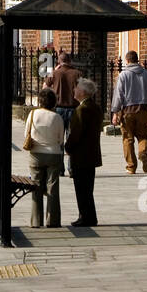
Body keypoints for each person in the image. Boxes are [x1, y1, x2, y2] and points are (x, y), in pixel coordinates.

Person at [110, 50, 147, 175]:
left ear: (127, 61)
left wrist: (115, 111)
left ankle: (131, 166)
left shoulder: (123, 75)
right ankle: (143, 153)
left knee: (128, 138)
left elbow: (119, 95)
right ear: (137, 60)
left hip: (127, 110)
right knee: (143, 135)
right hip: (143, 108)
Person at [64, 78, 103, 226]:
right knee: (88, 188)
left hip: (81, 154)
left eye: (76, 88)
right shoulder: (95, 107)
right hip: (91, 153)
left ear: (83, 92)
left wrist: (68, 147)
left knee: (81, 188)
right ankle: (89, 216)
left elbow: (76, 132)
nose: (74, 90)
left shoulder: (81, 110)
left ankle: (86, 216)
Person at [24, 87, 65, 227]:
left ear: (40, 101)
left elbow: (26, 134)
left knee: (36, 186)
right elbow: (60, 139)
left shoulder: (33, 114)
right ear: (53, 102)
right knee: (52, 187)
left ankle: (36, 221)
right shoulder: (57, 117)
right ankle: (52, 221)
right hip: (53, 154)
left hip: (36, 154)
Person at [44, 51, 82, 132]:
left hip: (58, 108)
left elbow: (45, 87)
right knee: (71, 137)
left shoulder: (55, 73)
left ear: (59, 61)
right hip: (73, 108)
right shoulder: (78, 73)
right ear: (70, 61)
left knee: (58, 136)